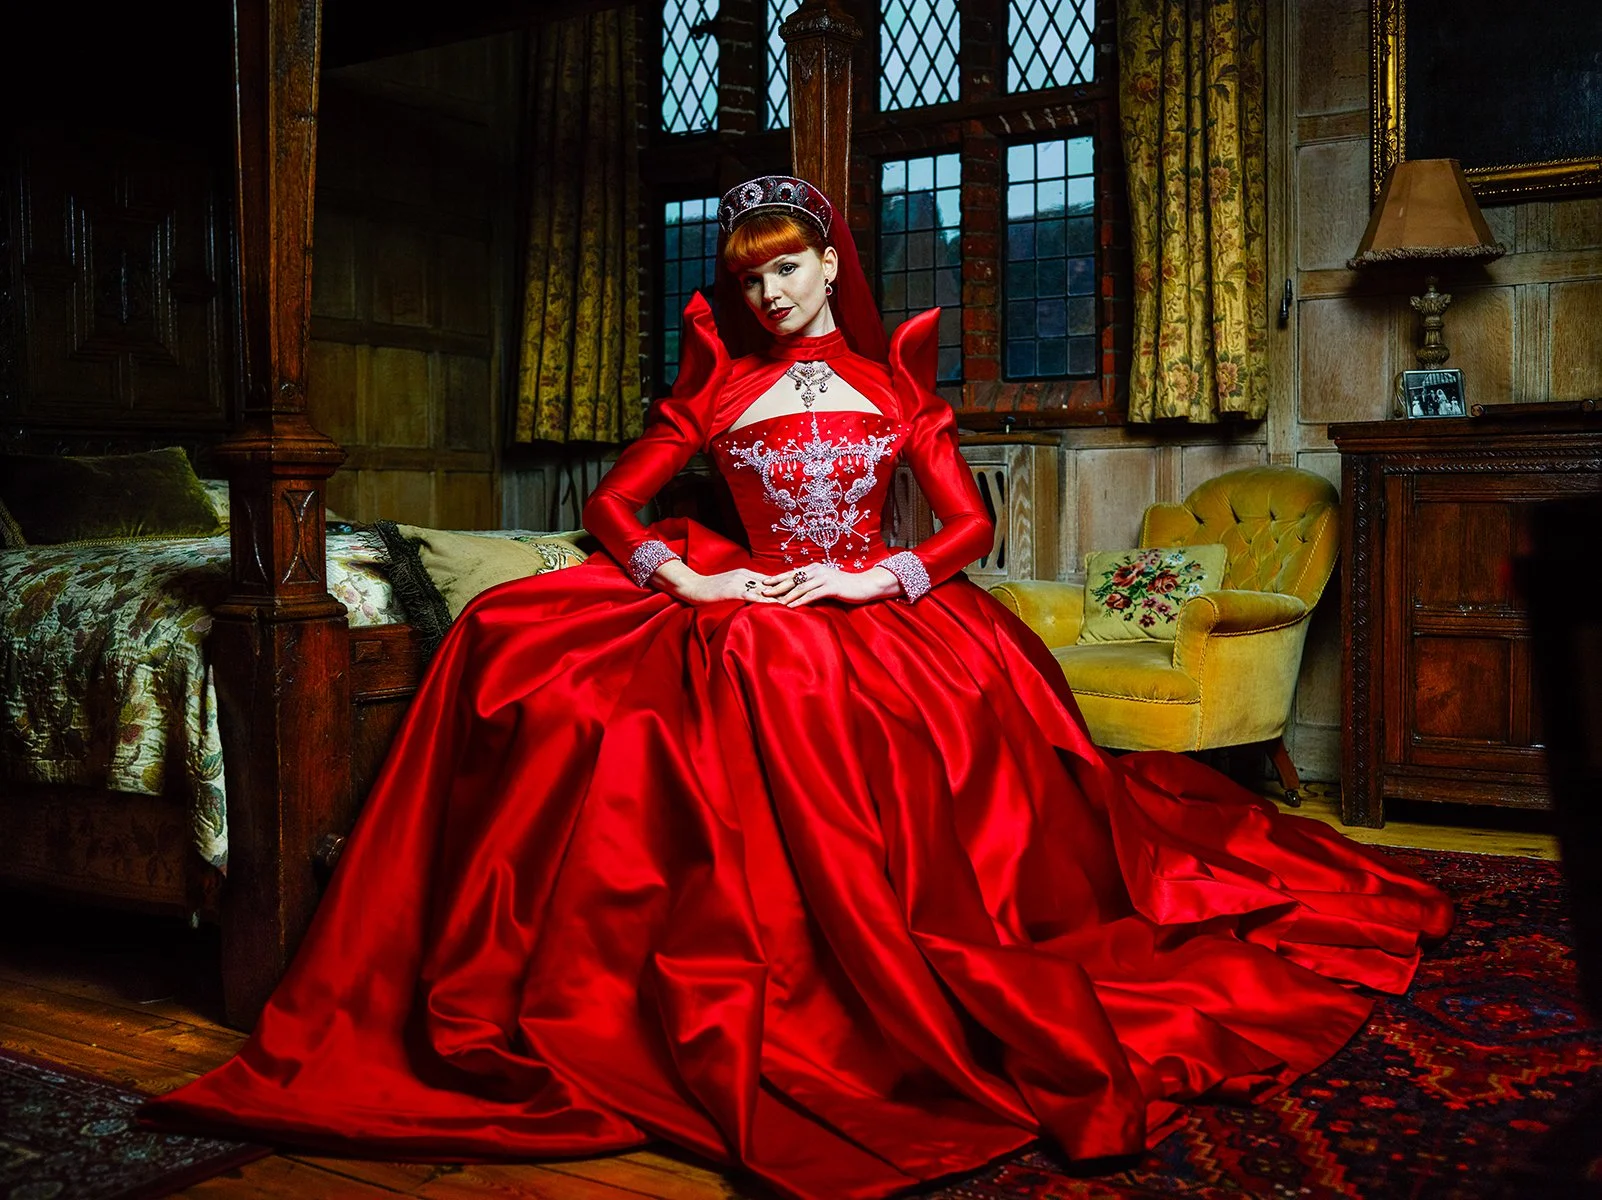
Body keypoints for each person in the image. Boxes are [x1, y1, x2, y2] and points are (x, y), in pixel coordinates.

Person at [143, 176, 1452, 1200]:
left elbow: (965, 530)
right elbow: (611, 507)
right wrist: (682, 576)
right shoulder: (717, 394)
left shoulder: (896, 388)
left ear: (831, 263)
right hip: (746, 601)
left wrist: (876, 576)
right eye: (748, 276)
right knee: (539, 655)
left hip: (874, 606)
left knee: (922, 729)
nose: (767, 292)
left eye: (786, 267)